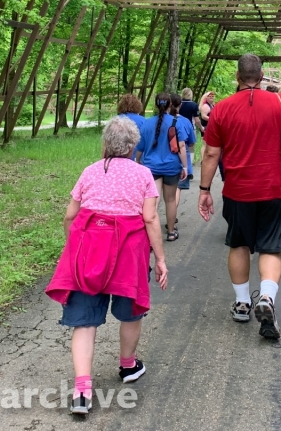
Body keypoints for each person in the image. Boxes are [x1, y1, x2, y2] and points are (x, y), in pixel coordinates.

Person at [45, 116, 168, 415]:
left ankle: (82, 391)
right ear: (132, 147)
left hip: (89, 252)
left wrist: (74, 245)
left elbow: (70, 216)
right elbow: (150, 218)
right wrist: (160, 259)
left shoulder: (89, 172)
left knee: (84, 321)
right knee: (130, 312)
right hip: (128, 254)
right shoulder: (143, 175)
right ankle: (128, 365)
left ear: (105, 144)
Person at [198, 54, 281, 340]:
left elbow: (211, 154)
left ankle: (242, 304)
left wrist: (204, 190)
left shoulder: (222, 109)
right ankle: (266, 298)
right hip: (275, 189)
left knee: (238, 244)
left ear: (237, 77)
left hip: (237, 191)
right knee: (271, 248)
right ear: (261, 76)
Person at [135, 93, 190, 241]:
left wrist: (137, 161)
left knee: (153, 201)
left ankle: (150, 234)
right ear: (170, 105)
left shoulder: (146, 123)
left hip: (151, 167)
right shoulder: (176, 122)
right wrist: (185, 167)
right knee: (170, 200)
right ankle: (171, 232)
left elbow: (140, 147)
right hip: (172, 167)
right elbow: (182, 146)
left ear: (155, 105)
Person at [117, 94, 146, 158]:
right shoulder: (144, 121)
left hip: (118, 157)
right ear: (138, 105)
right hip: (138, 157)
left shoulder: (115, 120)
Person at [179, 88, 201, 165]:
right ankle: (189, 163)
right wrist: (201, 128)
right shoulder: (194, 105)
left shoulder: (179, 104)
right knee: (191, 147)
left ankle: (181, 162)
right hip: (190, 128)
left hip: (179, 127)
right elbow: (197, 120)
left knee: (180, 145)